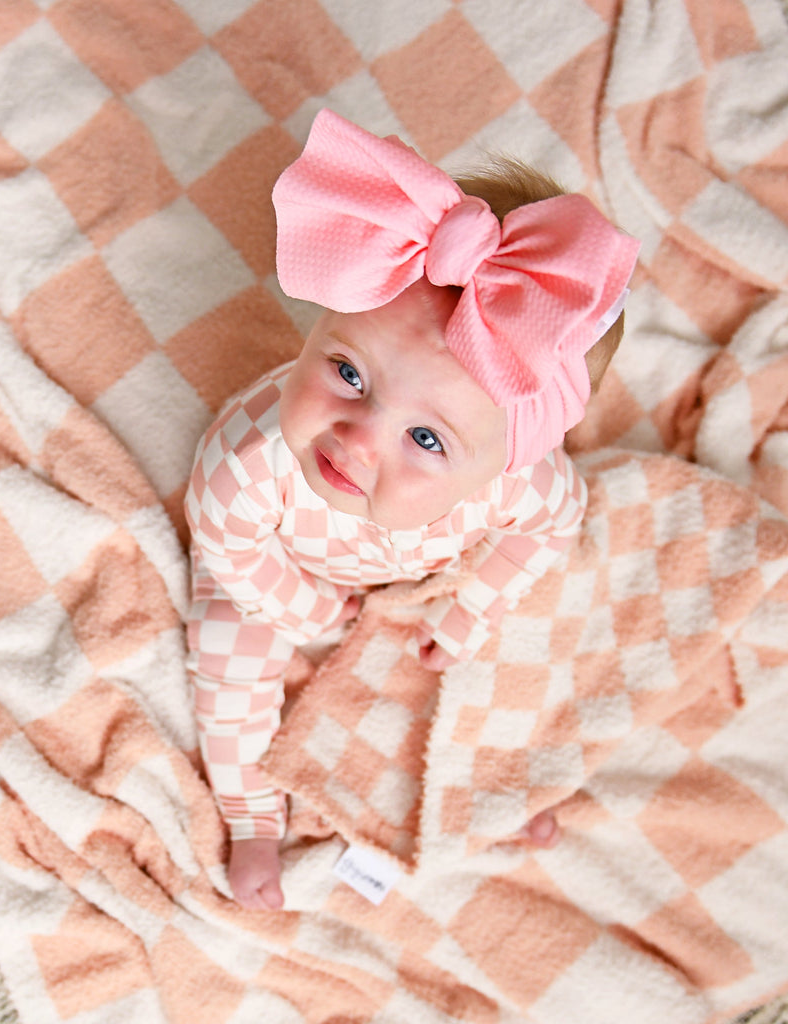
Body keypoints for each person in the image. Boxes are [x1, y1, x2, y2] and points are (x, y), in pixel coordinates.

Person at [185, 109, 640, 910]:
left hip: (422, 577)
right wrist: (304, 608)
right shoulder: (255, 458)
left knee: (516, 659)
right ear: (326, 321)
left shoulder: (518, 484)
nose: (358, 441)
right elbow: (228, 545)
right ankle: (252, 814)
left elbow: (549, 530)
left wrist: (474, 609)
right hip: (286, 570)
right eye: (348, 372)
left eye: (427, 438)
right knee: (229, 659)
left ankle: (493, 794)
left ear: (510, 456)